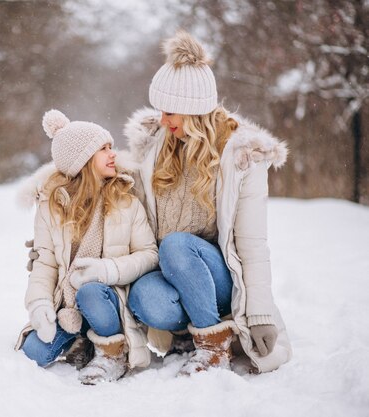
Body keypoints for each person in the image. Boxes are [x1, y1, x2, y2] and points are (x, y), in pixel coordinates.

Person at [120, 30, 292, 375]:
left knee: (177, 245)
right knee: (143, 297)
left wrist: (259, 313)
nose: (163, 120)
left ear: (194, 112)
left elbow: (252, 245)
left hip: (221, 280)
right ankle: (185, 336)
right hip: (171, 271)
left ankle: (213, 347)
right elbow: (127, 213)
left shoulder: (241, 158)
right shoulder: (155, 148)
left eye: (171, 113)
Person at [14, 109, 158, 385]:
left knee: (91, 292)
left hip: (109, 299)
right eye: (103, 149)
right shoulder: (51, 207)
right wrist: (40, 304)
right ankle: (81, 340)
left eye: (111, 147)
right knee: (34, 351)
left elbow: (149, 254)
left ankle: (112, 351)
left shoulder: (126, 201)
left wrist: (108, 270)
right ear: (82, 160)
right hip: (68, 306)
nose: (113, 153)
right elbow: (44, 263)